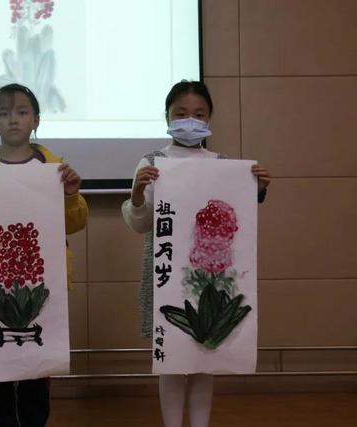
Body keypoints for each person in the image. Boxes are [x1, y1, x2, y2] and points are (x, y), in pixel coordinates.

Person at [121, 80, 270, 427]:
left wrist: (257, 189)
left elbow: (238, 218)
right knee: (171, 359)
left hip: (210, 275)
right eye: (181, 113)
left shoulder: (222, 164)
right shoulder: (152, 162)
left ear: (209, 119)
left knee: (205, 359)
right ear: (167, 116)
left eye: (199, 114)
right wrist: (138, 194)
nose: (190, 121)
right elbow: (140, 223)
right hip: (165, 272)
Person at [0, 83, 88, 427]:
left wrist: (70, 194)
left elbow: (76, 222)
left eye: (22, 112)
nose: (13, 120)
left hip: (43, 284)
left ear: (36, 119)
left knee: (37, 376)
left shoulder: (54, 166)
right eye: (3, 113)